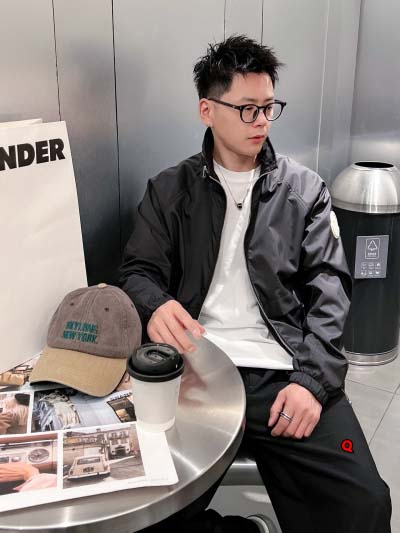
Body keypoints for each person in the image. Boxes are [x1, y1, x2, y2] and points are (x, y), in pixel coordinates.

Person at [119, 35, 391, 533]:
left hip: (283, 375)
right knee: (141, 510)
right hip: (195, 372)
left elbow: (330, 289)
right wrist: (155, 305)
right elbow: (138, 271)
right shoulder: (170, 189)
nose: (261, 121)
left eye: (268, 108)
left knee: (364, 504)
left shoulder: (304, 191)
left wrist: (311, 382)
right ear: (207, 110)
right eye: (247, 109)